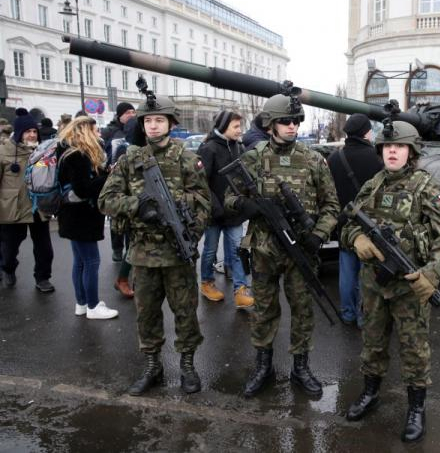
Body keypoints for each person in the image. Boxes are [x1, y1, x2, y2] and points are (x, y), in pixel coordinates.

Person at [340, 121, 440, 443]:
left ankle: (416, 408)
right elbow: (347, 225)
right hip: (374, 284)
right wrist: (356, 239)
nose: (392, 151)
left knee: (414, 349)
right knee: (372, 342)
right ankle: (370, 393)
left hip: (410, 287)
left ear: (411, 151)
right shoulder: (372, 185)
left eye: (399, 146)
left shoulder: (428, 187)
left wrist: (430, 275)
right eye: (388, 146)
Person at [224, 94, 339, 399]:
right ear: (271, 124)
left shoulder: (314, 159)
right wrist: (250, 206)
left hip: (301, 249)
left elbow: (331, 205)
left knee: (302, 310)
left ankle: (301, 367)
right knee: (263, 310)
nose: (292, 126)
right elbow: (228, 198)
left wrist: (319, 235)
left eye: (296, 121)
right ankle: (264, 367)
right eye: (285, 121)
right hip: (263, 250)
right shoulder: (252, 157)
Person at [98, 94, 210, 396]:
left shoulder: (187, 159)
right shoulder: (129, 159)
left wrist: (191, 235)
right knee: (146, 314)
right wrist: (138, 206)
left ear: (171, 124)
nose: (153, 126)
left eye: (159, 120)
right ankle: (153, 366)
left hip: (177, 252)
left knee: (185, 312)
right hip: (143, 253)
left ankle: (187, 364)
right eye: (148, 120)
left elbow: (203, 204)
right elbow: (105, 200)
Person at [57, 117, 118, 319]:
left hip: (72, 215)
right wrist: (108, 176)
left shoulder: (69, 152)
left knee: (80, 261)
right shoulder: (78, 155)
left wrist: (104, 172)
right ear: (86, 132)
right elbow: (83, 189)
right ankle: (92, 306)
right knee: (91, 261)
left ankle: (82, 304)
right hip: (81, 217)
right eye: (96, 130)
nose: (99, 134)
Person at [326, 113, 383, 327]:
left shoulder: (334, 157)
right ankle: (363, 316)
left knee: (347, 271)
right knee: (366, 272)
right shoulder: (377, 157)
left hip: (344, 222)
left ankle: (348, 313)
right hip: (370, 223)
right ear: (366, 132)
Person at [197, 110, 254, 308]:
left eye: (240, 126)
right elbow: (201, 182)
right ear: (223, 128)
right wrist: (215, 206)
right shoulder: (209, 148)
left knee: (238, 251)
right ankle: (206, 282)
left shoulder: (239, 147)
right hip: (214, 213)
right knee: (210, 251)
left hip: (235, 212)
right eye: (236, 126)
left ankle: (240, 289)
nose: (240, 130)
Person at [0, 113, 55, 292]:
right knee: (9, 248)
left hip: (38, 207)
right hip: (12, 207)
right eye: (27, 131)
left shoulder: (41, 152)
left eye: (34, 131)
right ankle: (8, 268)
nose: (32, 135)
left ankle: (42, 278)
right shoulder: (4, 152)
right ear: (18, 133)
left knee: (44, 248)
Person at [101, 102, 136, 263]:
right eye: (128, 112)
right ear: (119, 115)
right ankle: (117, 248)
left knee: (131, 218)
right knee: (116, 218)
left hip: (134, 182)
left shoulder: (137, 129)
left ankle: (130, 249)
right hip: (114, 179)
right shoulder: (109, 132)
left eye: (133, 112)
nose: (131, 115)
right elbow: (101, 154)